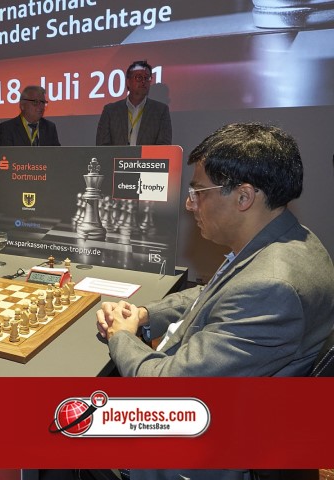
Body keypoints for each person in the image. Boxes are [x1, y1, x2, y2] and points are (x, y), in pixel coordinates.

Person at [95, 123, 334, 478]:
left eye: (198, 192)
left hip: (198, 450)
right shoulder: (289, 239)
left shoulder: (271, 286)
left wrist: (121, 335)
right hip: (233, 405)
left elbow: (165, 389)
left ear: (244, 197)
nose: (190, 204)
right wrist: (144, 315)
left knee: (57, 423)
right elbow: (214, 293)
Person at [95, 60, 172, 146]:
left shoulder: (160, 111)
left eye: (147, 78)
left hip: (147, 156)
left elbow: (163, 147)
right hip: (116, 155)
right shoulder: (110, 111)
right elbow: (102, 147)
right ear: (128, 82)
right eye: (139, 77)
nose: (143, 81)